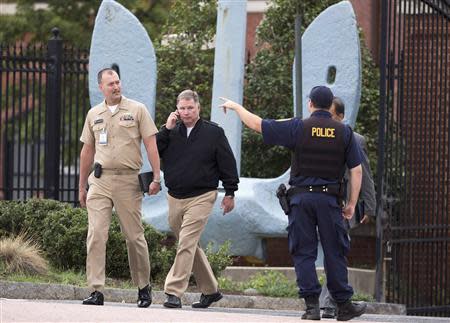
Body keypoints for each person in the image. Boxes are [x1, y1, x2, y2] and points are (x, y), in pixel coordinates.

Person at [220, 86, 367, 321]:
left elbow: (258, 124)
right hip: (330, 200)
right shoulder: (344, 132)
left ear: (310, 103)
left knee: (303, 252)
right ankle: (343, 305)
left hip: (301, 200)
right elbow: (356, 170)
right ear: (330, 106)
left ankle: (311, 308)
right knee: (335, 251)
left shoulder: (299, 127)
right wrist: (351, 203)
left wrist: (237, 107)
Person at [78, 68, 161, 307]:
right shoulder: (94, 114)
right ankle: (95, 289)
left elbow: (150, 144)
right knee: (96, 235)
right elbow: (87, 151)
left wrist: (156, 176)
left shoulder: (137, 110)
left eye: (118, 82)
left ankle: (143, 287)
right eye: (111, 83)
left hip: (128, 181)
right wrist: (82, 186)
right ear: (101, 87)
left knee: (134, 237)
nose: (116, 86)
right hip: (100, 180)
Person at [156, 89, 239, 309]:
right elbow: (154, 150)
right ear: (177, 109)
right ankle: (211, 291)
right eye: (182, 108)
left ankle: (173, 292)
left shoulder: (214, 133)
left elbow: (228, 164)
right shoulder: (170, 131)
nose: (186, 112)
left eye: (190, 108)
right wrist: (166, 128)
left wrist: (230, 192)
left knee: (185, 242)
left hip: (202, 196)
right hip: (174, 197)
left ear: (198, 108)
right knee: (190, 245)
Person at [320, 96, 376, 319]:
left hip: (343, 206)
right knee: (335, 253)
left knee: (336, 253)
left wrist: (370, 208)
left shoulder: (355, 140)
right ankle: (330, 303)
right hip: (320, 203)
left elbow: (365, 176)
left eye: (331, 116)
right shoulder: (316, 136)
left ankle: (328, 303)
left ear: (341, 117)